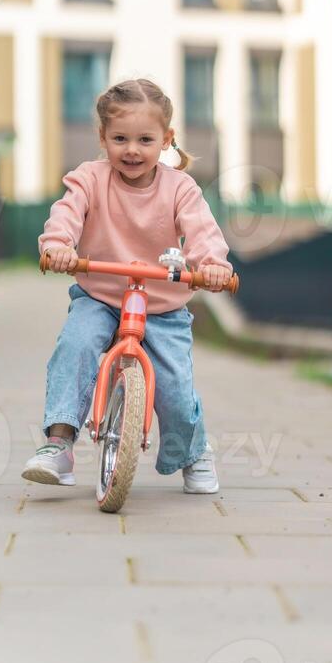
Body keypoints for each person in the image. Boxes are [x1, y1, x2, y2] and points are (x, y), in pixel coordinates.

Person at [21, 78, 233, 494]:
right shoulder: (89, 179)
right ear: (102, 138)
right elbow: (66, 214)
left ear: (166, 139)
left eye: (144, 139)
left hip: (162, 304)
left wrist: (212, 265)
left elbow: (203, 232)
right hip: (101, 294)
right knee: (76, 346)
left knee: (174, 387)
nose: (132, 150)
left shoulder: (180, 188)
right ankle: (58, 445)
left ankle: (193, 451)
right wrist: (59, 245)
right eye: (120, 138)